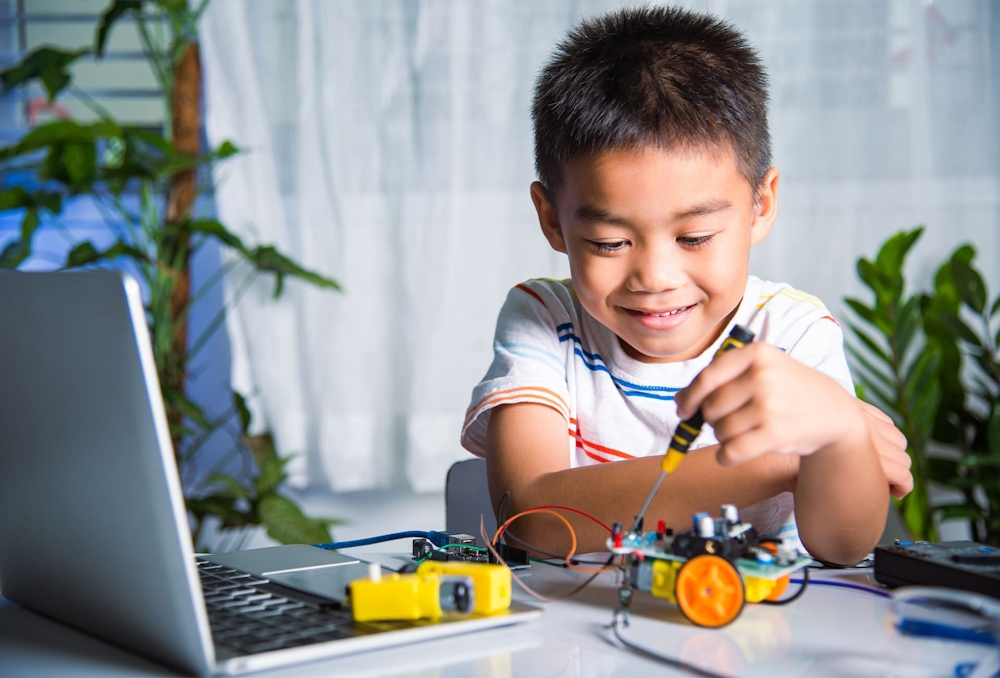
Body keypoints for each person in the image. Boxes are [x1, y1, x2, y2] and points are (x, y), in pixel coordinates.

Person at [460, 6, 912, 566]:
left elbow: (844, 547)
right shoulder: (542, 319)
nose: (655, 277)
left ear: (760, 206)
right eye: (608, 242)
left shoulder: (793, 333)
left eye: (695, 237)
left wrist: (841, 437)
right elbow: (534, 518)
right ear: (552, 219)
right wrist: (781, 462)